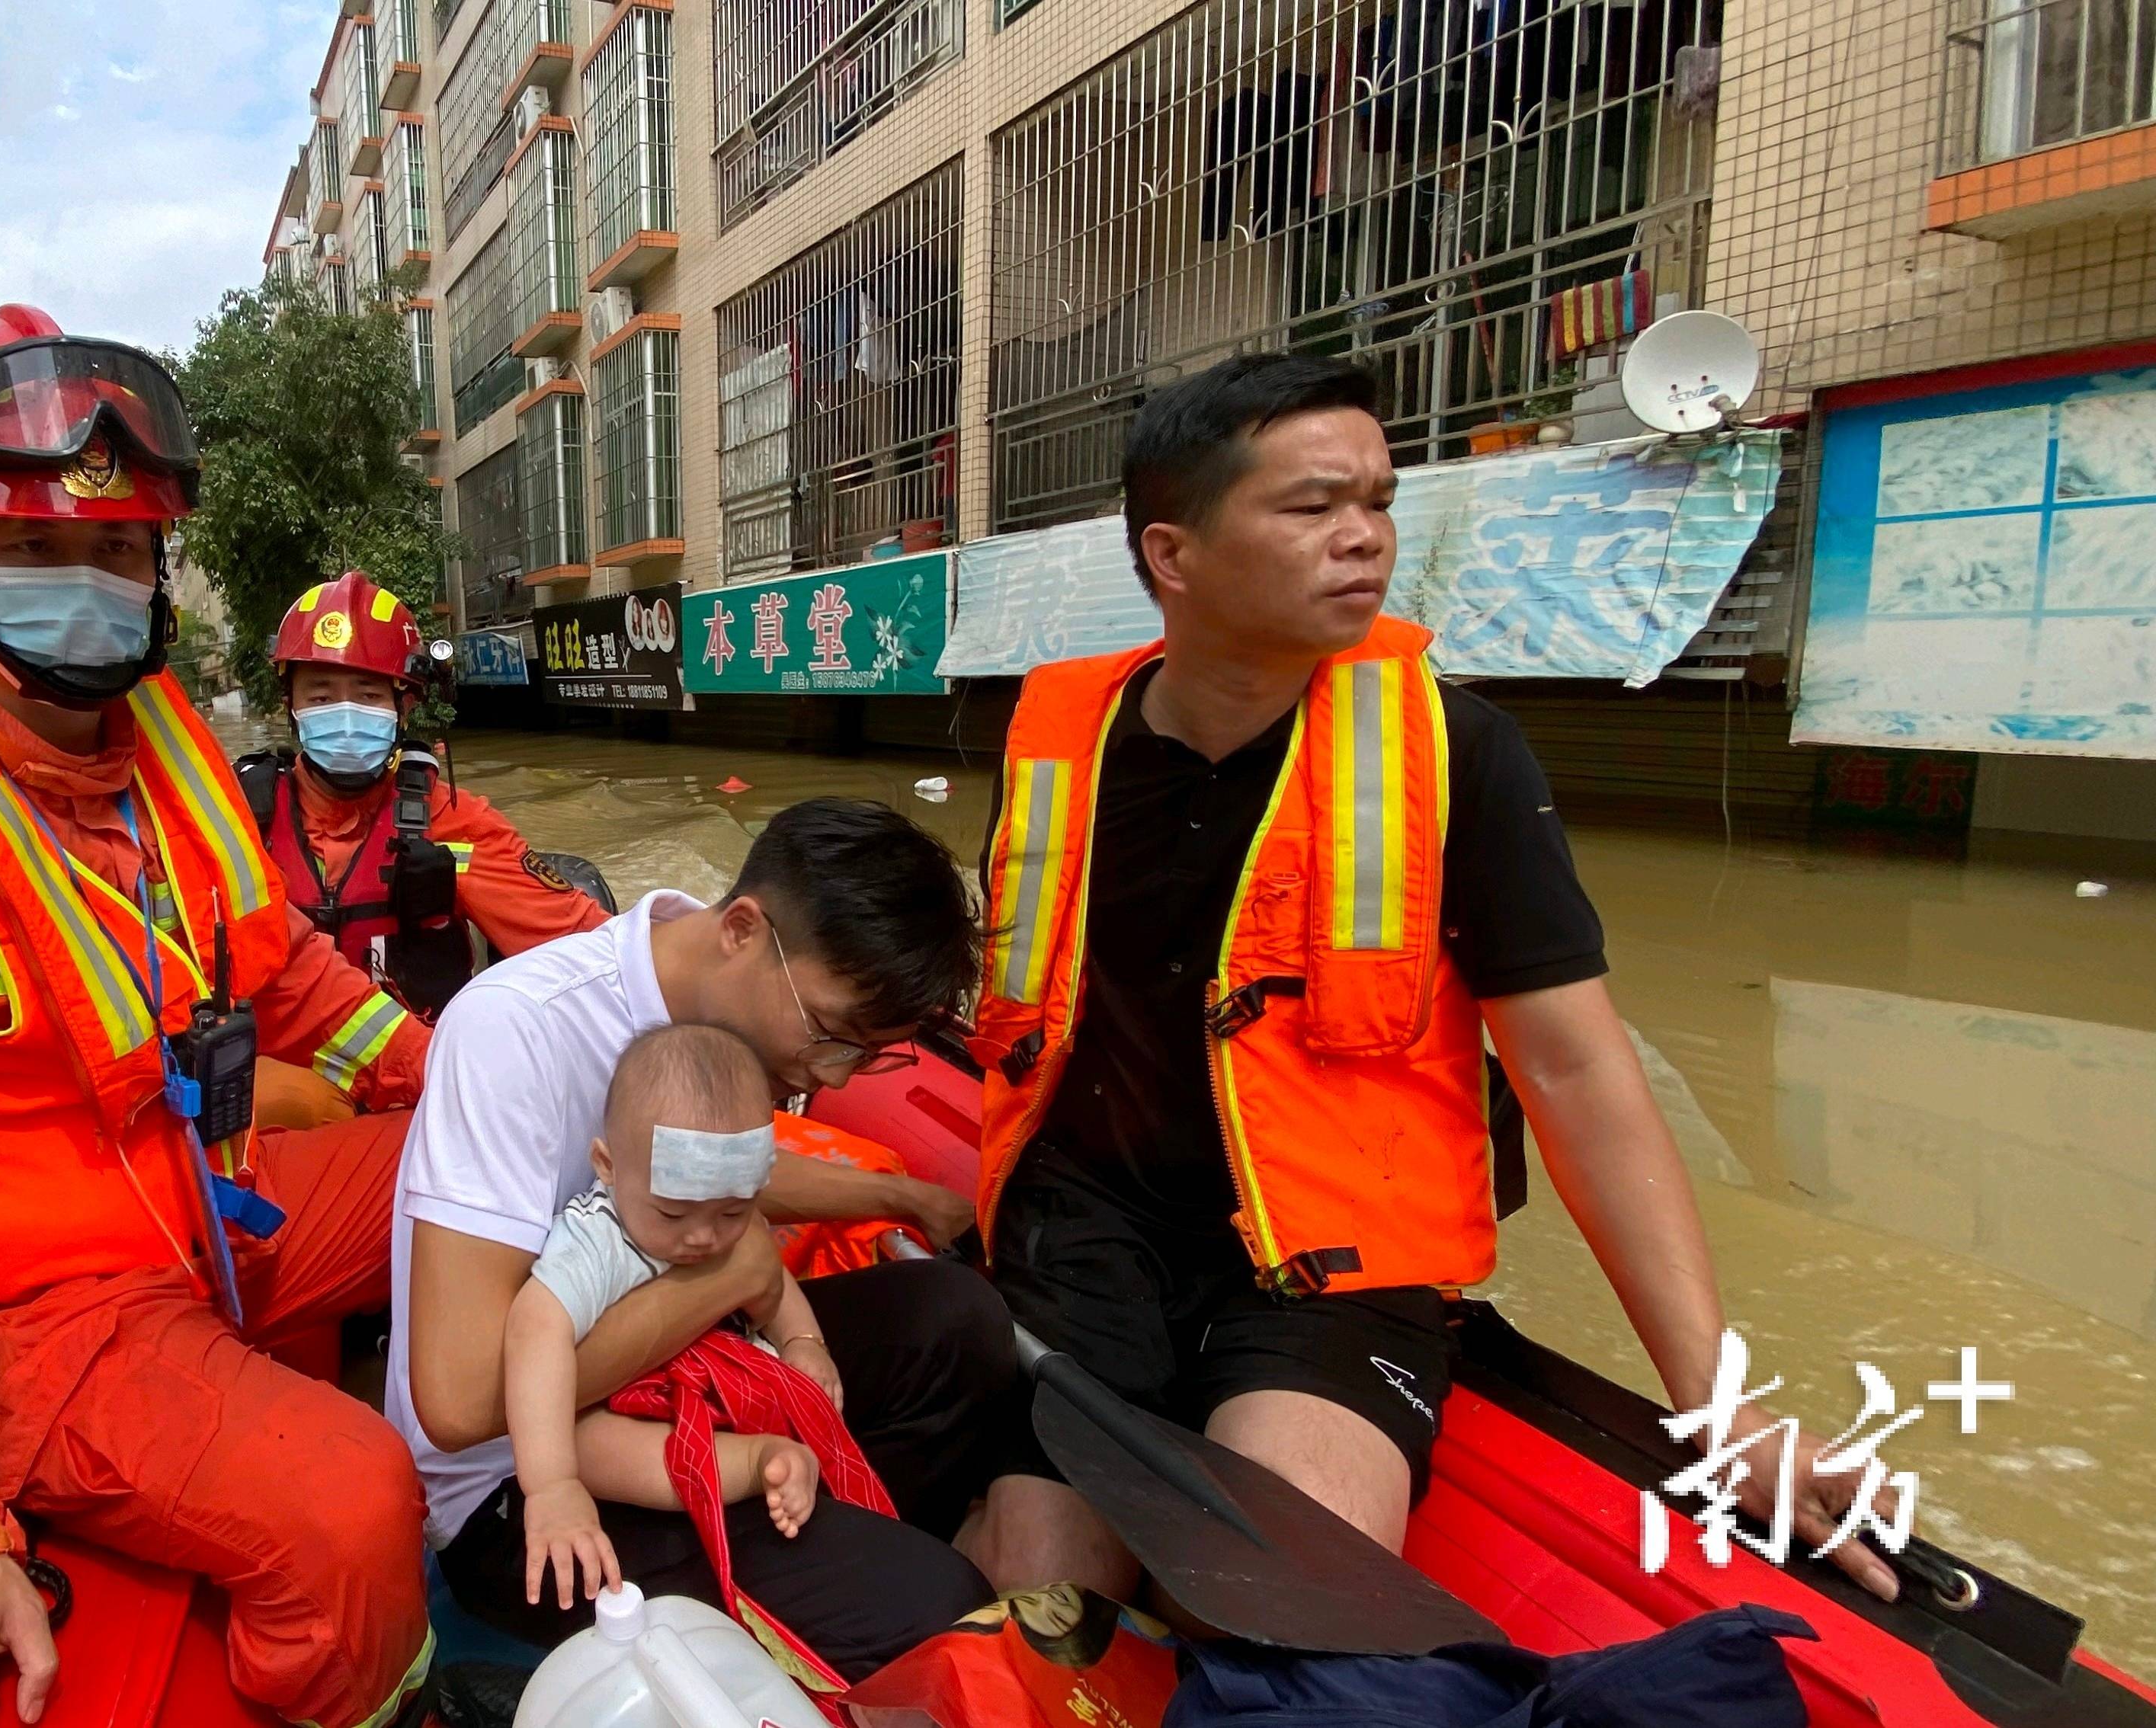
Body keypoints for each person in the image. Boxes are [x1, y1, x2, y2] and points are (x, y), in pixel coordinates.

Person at [972, 351, 1901, 1598]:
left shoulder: (1457, 752)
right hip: (1087, 1232)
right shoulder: (1057, 748)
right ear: (1172, 553)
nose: (1363, 539)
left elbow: (1575, 1071)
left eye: (1379, 502)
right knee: (1044, 1581)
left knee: (1296, 1594)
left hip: (1328, 1263)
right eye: (1312, 507)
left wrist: (1713, 1400)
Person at [0, 305, 437, 1728]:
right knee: (357, 1504)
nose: (92, 584)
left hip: (203, 1202)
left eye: (116, 551)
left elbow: (286, 972)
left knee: (495, 1156)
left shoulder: (161, 740)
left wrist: (464, 1077)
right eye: (39, 551)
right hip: (42, 1324)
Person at [398, 797, 1130, 1683]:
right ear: (742, 929)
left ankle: (832, 1531)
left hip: (691, 1369)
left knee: (957, 1320)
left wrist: (900, 1195)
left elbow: (734, 1184)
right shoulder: (520, 1031)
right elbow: (459, 1399)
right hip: (535, 1481)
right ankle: (867, 1582)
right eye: (828, 1036)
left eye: (864, 1058)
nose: (829, 1078)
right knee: (939, 1616)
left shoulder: (720, 1034)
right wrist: (725, 1279)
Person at [505, 1024, 852, 1612]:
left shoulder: (720, 1213)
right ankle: (756, 1462)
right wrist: (553, 1485)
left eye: (732, 1212)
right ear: (607, 1166)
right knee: (590, 1441)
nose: (701, 1236)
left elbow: (769, 1279)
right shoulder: (597, 1242)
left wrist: (802, 1338)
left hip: (709, 1383)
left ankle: (773, 1458)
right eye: (671, 1213)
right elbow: (534, 1327)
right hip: (619, 1415)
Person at [238, 571, 612, 1020]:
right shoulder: (237, 816)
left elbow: (590, 948)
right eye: (320, 698)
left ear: (405, 708)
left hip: (422, 1076)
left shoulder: (454, 821)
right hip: (276, 1081)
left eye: (369, 695)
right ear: (289, 706)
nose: (346, 716)